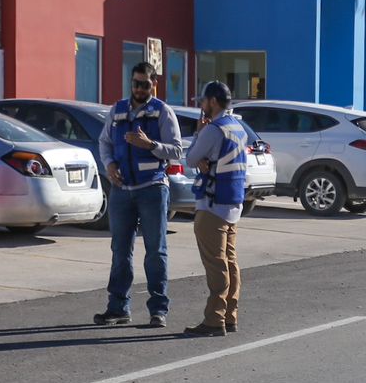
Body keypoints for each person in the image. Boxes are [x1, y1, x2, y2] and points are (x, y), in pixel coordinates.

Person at [93, 62, 184, 328]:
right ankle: (118, 308)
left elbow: (177, 150)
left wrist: (150, 145)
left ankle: (158, 310)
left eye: (145, 84)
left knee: (155, 251)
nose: (139, 88)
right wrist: (109, 165)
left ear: (154, 85)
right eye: (136, 83)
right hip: (122, 191)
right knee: (120, 250)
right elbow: (104, 142)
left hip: (153, 189)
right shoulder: (118, 110)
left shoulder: (162, 113)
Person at [183, 80, 249, 338]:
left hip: (212, 206)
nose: (201, 105)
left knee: (216, 264)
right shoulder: (239, 128)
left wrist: (200, 133)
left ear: (212, 101)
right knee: (230, 263)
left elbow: (190, 158)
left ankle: (214, 319)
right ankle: (230, 315)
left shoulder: (214, 130)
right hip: (233, 203)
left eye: (203, 100)